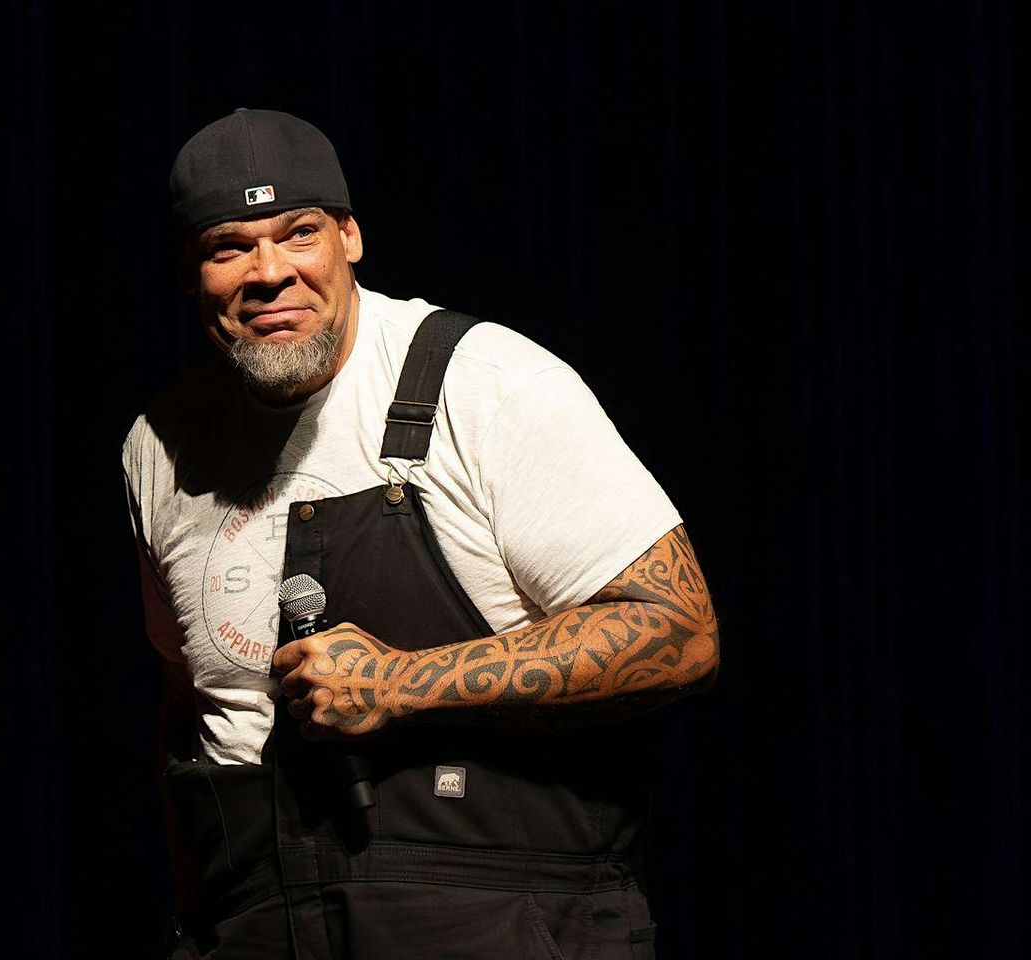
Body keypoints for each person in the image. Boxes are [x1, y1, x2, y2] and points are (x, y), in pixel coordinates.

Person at [122, 108, 719, 960]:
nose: (270, 273)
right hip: (254, 924)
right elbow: (189, 704)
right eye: (230, 247)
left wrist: (404, 682)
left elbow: (679, 630)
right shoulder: (161, 445)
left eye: (299, 234)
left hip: (495, 916)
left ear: (350, 238)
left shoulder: (485, 383)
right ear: (191, 272)